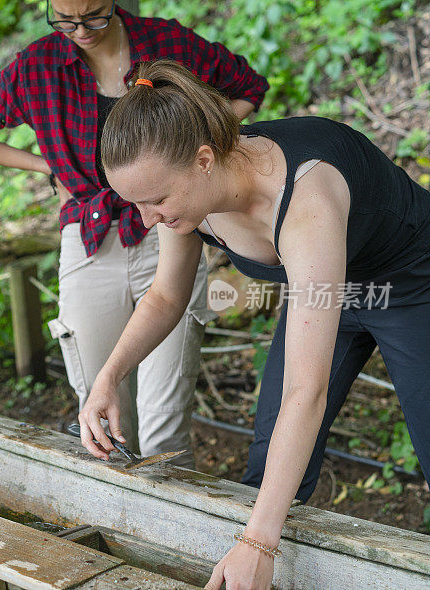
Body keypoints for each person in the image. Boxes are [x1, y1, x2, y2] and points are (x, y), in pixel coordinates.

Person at [80, 58, 430, 589]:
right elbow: (166, 296)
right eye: (136, 203)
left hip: (409, 283)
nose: (147, 218)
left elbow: (305, 391)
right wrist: (108, 377)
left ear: (202, 161)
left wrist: (257, 542)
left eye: (155, 201)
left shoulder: (304, 198)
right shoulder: (187, 194)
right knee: (268, 469)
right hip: (320, 282)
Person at [0, 0, 268, 466]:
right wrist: (49, 167)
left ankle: (172, 529)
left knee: (165, 416)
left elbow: (247, 87)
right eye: (64, 19)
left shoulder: (167, 44)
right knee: (102, 411)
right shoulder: (37, 66)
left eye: (95, 15)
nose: (80, 30)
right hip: (89, 234)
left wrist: (201, 152)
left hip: (170, 227)